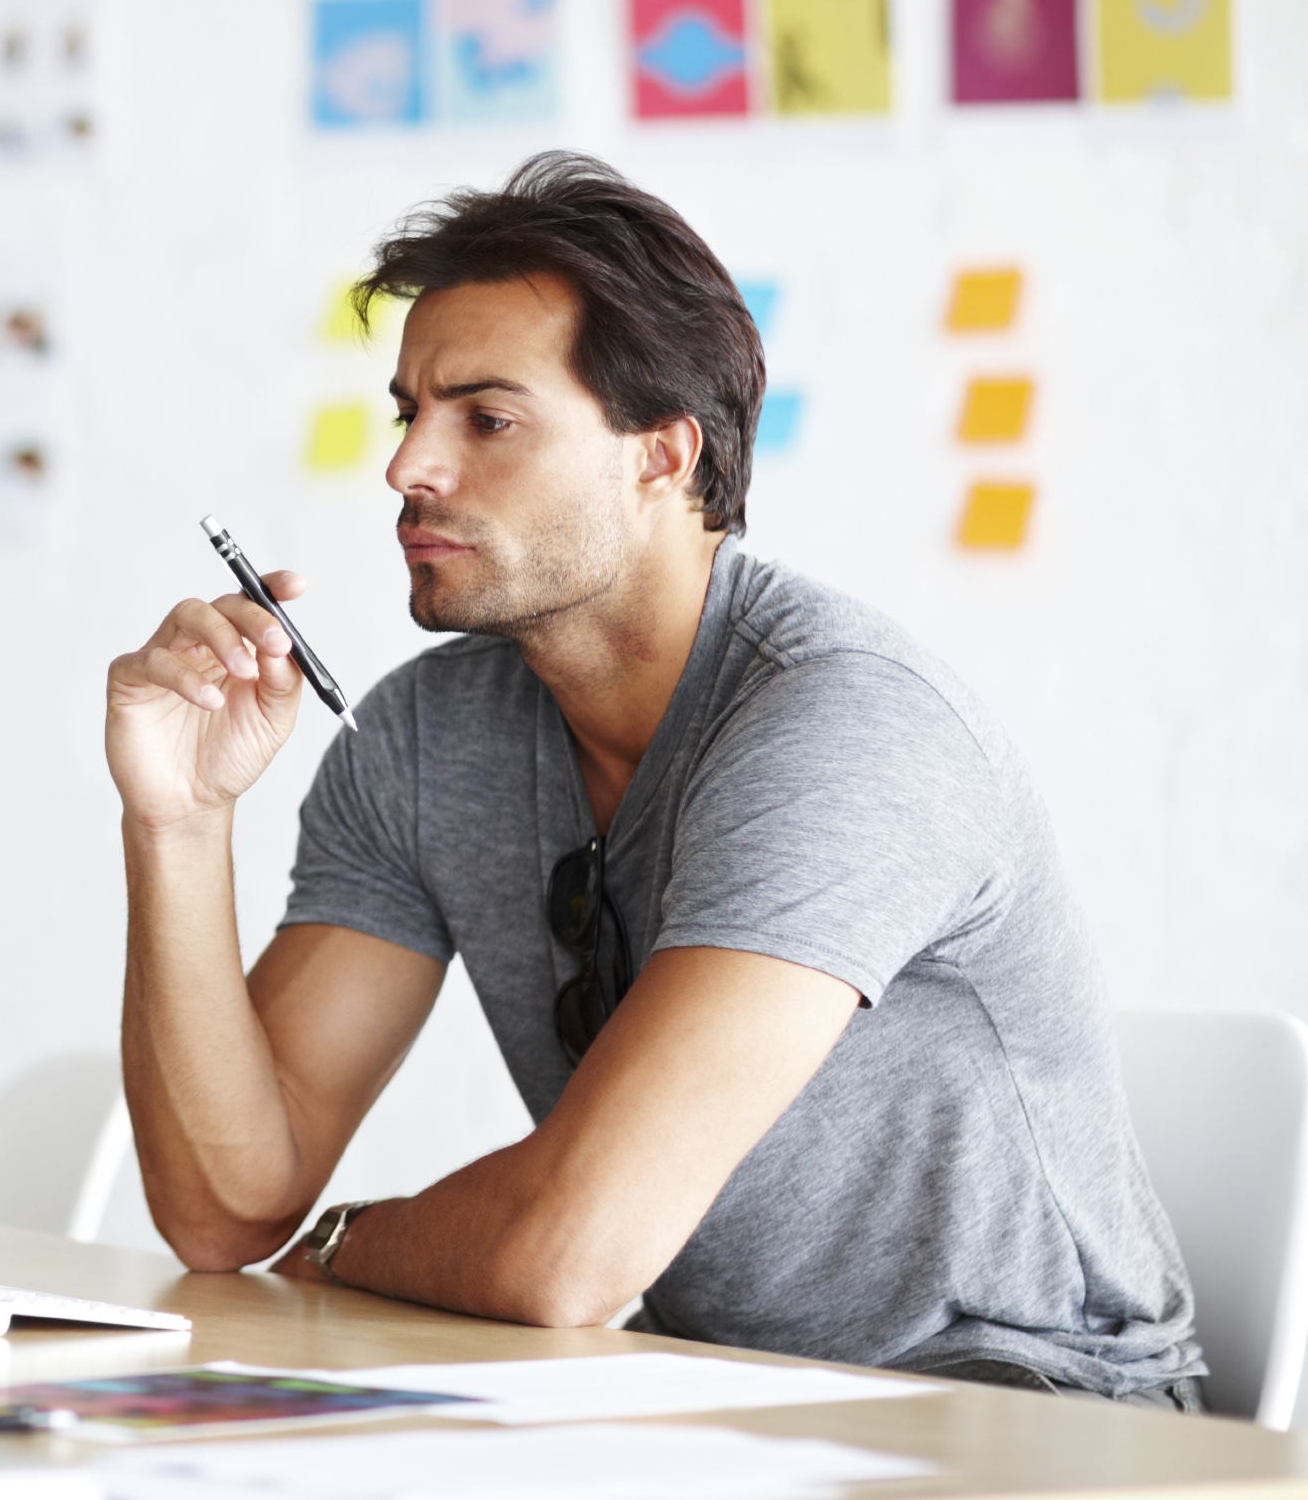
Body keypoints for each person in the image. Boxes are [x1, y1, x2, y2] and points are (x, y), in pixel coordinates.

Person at [105, 152, 1204, 1407]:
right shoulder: (423, 739)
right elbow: (226, 1203)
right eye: (408, 411)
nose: (408, 466)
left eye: (487, 418)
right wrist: (179, 822)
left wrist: (342, 1245)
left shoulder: (843, 726)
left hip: (1032, 1416)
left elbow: (565, 1252)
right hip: (706, 1395)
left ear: (662, 455)